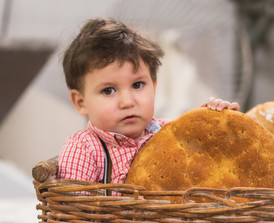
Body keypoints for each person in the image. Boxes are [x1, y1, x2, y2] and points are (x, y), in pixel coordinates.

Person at [57, 17, 239, 185]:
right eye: (108, 90)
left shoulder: (171, 133)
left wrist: (217, 123)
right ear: (81, 102)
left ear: (154, 85)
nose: (127, 102)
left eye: (137, 85)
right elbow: (73, 212)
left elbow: (211, 168)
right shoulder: (84, 149)